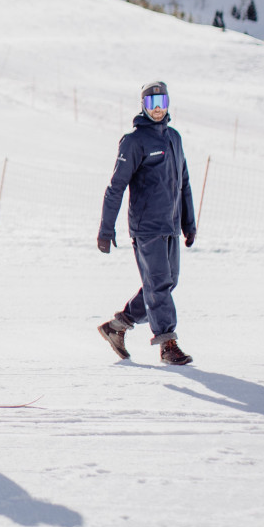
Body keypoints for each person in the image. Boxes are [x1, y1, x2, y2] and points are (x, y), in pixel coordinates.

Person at [96, 81, 196, 366]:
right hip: (147, 227)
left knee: (165, 283)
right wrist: (106, 229)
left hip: (171, 226)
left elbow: (184, 183)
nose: (157, 109)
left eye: (161, 103)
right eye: (151, 104)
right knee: (159, 284)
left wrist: (189, 223)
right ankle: (167, 344)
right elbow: (116, 187)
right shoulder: (134, 141)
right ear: (143, 106)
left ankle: (117, 327)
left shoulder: (174, 138)